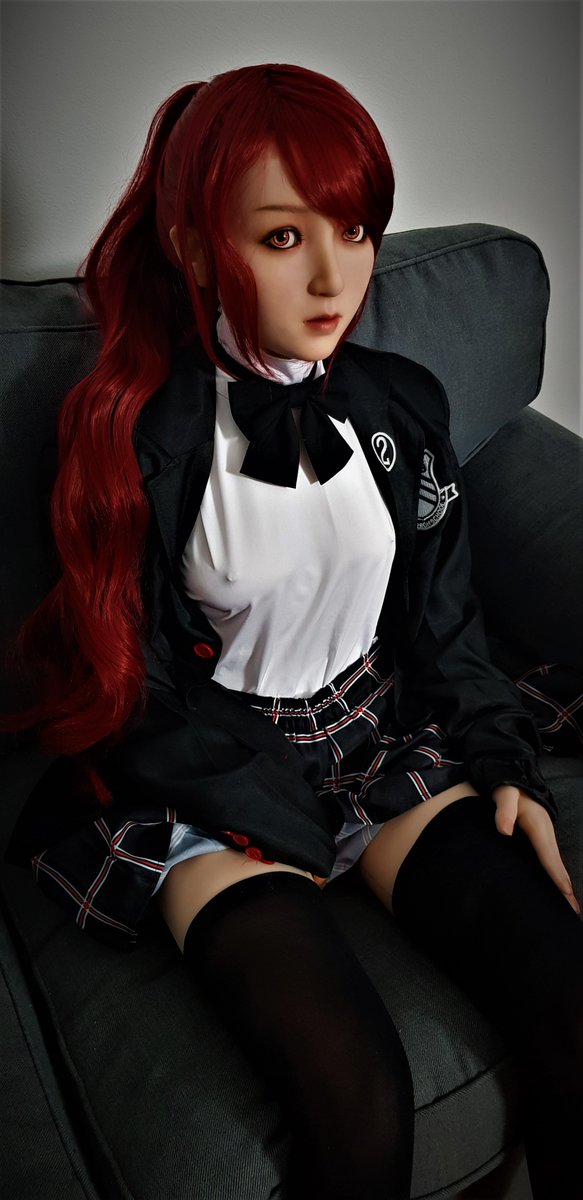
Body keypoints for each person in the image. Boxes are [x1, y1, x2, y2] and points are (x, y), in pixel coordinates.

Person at [3, 63, 582, 1200]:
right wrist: (273, 817)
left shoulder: (399, 403)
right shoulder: (129, 437)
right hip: (201, 766)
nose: (333, 277)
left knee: (567, 991)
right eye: (282, 237)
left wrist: (502, 758)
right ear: (191, 242)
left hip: (373, 729)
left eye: (354, 230)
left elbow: (443, 616)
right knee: (354, 1095)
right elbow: (131, 684)